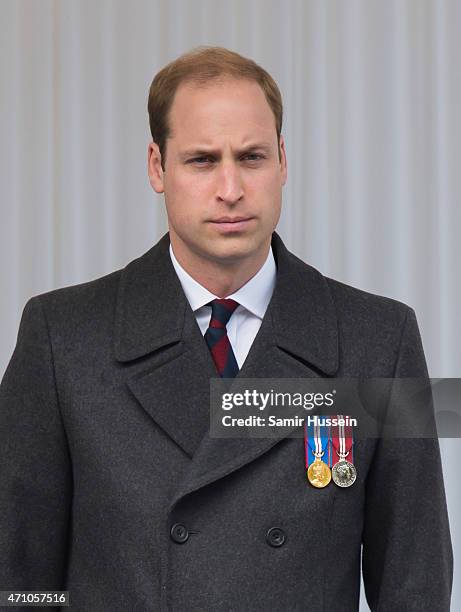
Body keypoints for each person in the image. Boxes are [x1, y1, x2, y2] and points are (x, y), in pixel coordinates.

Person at [0, 46, 453, 611]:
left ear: (283, 161)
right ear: (156, 167)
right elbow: (18, 579)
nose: (231, 188)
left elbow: (415, 582)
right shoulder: (62, 338)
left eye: (252, 156)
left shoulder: (380, 339)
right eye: (201, 160)